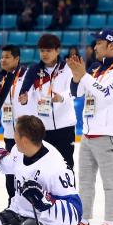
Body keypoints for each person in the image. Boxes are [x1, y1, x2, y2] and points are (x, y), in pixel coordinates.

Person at [67, 29, 113, 225]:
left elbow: (104, 94)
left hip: (109, 135)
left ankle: (109, 221)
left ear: (111, 46)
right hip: (89, 133)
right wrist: (77, 77)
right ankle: (84, 220)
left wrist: (85, 76)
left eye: (98, 43)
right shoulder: (96, 68)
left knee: (109, 181)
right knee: (86, 181)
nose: (94, 47)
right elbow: (77, 93)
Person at [18, 34, 77, 170]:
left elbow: (74, 91)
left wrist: (61, 97)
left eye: (49, 50)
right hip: (42, 128)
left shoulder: (68, 68)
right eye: (42, 51)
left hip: (65, 126)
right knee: (43, 167)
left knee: (66, 165)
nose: (45, 54)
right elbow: (24, 91)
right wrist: (24, 99)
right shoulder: (34, 70)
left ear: (57, 51)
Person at [0, 45, 35, 203]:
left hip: (27, 134)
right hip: (9, 134)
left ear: (17, 59)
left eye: (7, 57)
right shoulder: (1, 78)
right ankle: (12, 202)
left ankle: (29, 203)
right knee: (10, 170)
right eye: (1, 57)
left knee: (28, 169)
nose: (3, 60)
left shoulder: (28, 75)